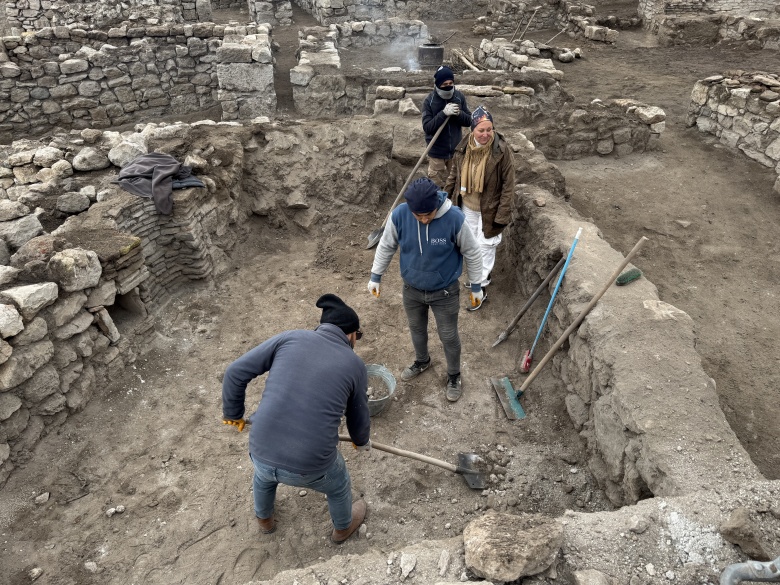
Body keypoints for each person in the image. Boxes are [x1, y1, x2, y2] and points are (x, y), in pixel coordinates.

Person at [221, 293, 371, 545]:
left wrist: (232, 414)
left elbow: (235, 372)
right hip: (311, 462)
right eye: (358, 335)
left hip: (260, 446)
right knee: (338, 483)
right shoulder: (354, 364)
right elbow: (358, 412)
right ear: (350, 334)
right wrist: (360, 439)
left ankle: (264, 520)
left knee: (263, 474)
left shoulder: (289, 338)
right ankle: (343, 528)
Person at [367, 177, 483, 403]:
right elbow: (387, 245)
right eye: (418, 215)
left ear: (436, 205)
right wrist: (375, 276)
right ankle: (422, 361)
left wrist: (476, 285)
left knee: (448, 336)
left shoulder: (454, 218)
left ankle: (454, 375)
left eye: (428, 214)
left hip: (445, 292)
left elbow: (472, 252)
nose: (424, 219)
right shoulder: (400, 215)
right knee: (416, 329)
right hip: (412, 289)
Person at [443, 105, 515, 310]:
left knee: (486, 245)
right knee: (471, 244)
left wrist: (503, 214)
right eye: (480, 130)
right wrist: (444, 198)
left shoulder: (502, 151)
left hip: (490, 208)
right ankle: (481, 275)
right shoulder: (463, 147)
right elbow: (453, 175)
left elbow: (509, 185)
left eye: (489, 130)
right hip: (468, 205)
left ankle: (480, 287)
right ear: (472, 130)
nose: (485, 134)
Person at [422, 65, 472, 188]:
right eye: (445, 84)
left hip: (456, 150)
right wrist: (443, 114)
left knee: (456, 183)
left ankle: (454, 205)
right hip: (436, 152)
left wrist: (459, 113)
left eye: (451, 83)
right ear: (438, 85)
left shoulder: (458, 97)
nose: (448, 87)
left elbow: (469, 121)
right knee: (436, 185)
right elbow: (427, 127)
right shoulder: (429, 101)